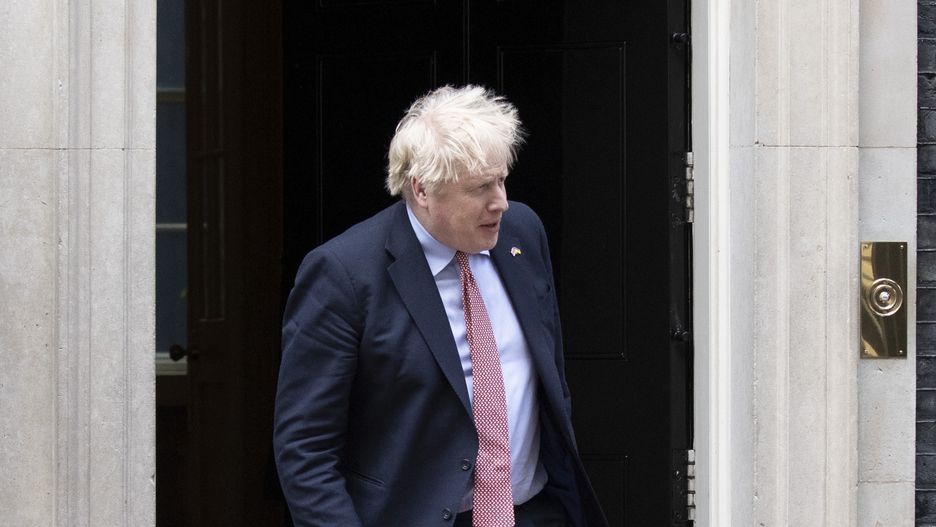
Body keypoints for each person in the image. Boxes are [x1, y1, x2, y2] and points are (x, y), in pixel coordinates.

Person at [274, 85, 608, 527]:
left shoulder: (522, 233)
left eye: (502, 179)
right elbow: (305, 450)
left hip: (536, 512)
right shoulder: (344, 274)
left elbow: (551, 378)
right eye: (480, 187)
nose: (500, 202)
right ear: (422, 190)